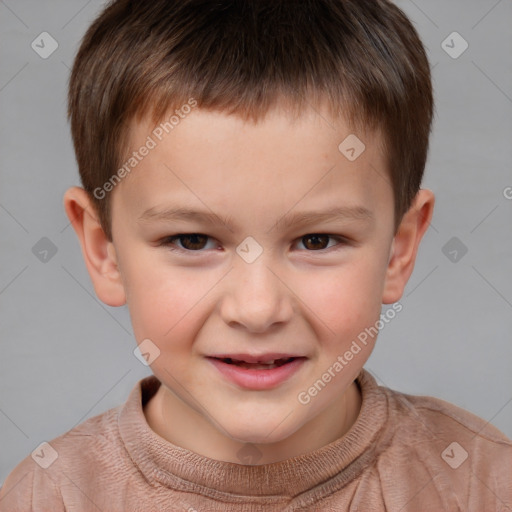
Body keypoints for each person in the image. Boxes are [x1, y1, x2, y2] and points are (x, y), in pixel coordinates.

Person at [1, 0, 510, 510]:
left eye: (317, 241)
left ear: (398, 251)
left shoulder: (479, 482)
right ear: (102, 249)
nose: (258, 309)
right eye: (192, 241)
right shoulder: (50, 496)